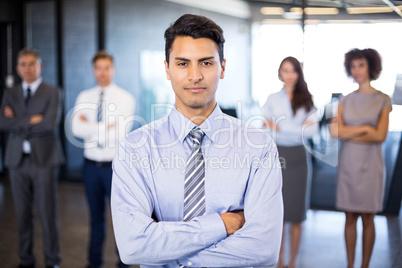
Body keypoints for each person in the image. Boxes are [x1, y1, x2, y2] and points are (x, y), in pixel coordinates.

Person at [110, 14, 283, 268]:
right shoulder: (134, 149)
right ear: (167, 69)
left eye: (205, 63)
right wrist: (224, 223)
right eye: (182, 64)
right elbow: (133, 247)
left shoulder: (259, 147)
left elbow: (263, 249)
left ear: (222, 68)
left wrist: (168, 254)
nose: (194, 76)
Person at [71, 50, 136, 268]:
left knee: (120, 218)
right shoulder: (84, 97)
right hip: (90, 167)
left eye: (106, 68)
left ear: (113, 70)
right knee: (95, 218)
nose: (102, 72)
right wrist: (104, 127)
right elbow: (75, 129)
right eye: (98, 68)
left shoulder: (125, 98)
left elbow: (121, 133)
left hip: (115, 168)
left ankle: (123, 262)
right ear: (93, 70)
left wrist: (90, 126)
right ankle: (94, 262)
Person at [0, 48, 64, 268]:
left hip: (43, 161)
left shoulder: (52, 92)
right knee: (22, 215)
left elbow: (48, 125)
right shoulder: (10, 93)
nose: (27, 68)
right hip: (16, 161)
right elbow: (2, 123)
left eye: (31, 64)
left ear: (40, 66)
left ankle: (52, 260)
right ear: (17, 68)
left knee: (48, 214)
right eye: (23, 64)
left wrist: (17, 121)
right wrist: (30, 120)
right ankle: (26, 260)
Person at [330, 48, 392, 268]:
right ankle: (350, 265)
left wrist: (351, 130)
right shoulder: (345, 100)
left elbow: (380, 135)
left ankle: (364, 265)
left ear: (371, 67)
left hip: (371, 166)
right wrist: (366, 128)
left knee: (368, 218)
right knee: (349, 217)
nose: (356, 70)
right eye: (353, 66)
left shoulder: (383, 99)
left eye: (361, 65)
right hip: (348, 165)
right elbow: (335, 132)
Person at [262, 56, 318, 268]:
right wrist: (293, 130)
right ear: (280, 73)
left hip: (299, 158)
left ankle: (293, 262)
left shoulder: (307, 99)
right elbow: (266, 129)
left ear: (298, 73)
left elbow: (311, 131)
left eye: (293, 70)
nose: (289, 75)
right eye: (285, 70)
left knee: (297, 213)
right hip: (278, 156)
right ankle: (280, 263)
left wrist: (281, 128)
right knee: (279, 213)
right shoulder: (271, 98)